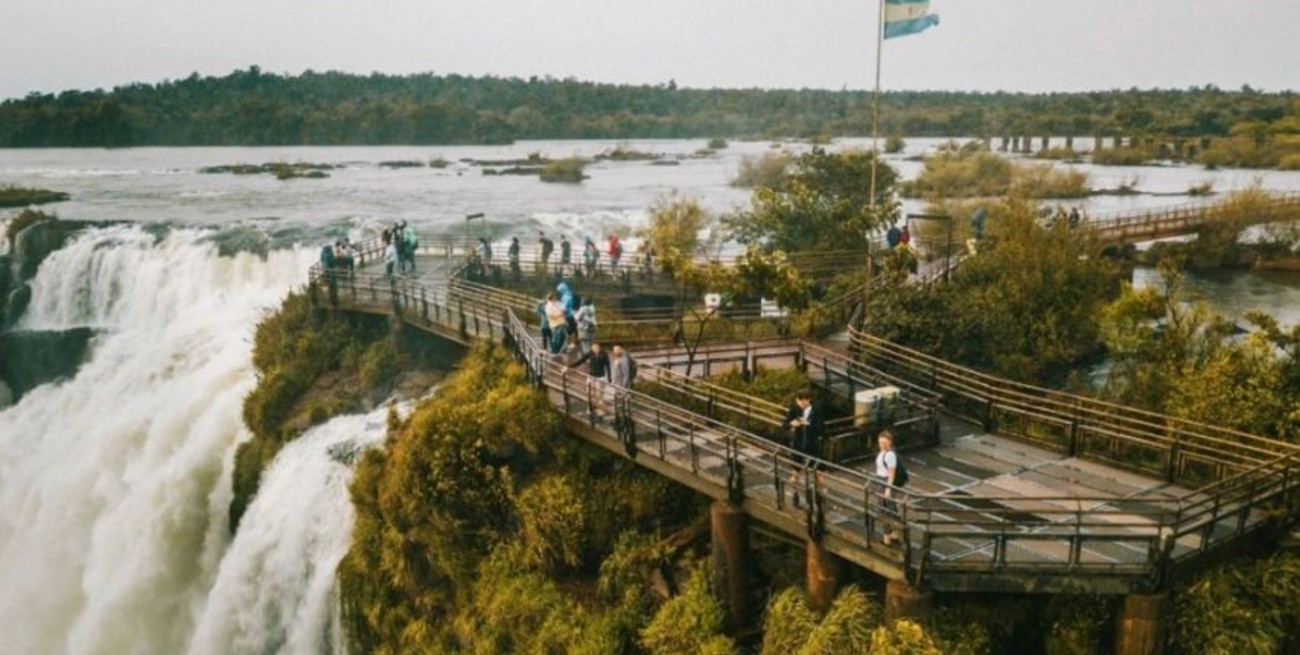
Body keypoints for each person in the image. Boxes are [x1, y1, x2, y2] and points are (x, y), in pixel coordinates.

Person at [783, 391, 824, 508]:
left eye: (801, 401)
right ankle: (795, 494)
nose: (799, 404)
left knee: (817, 473)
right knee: (795, 472)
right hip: (798, 444)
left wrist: (808, 424)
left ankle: (818, 497)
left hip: (812, 445)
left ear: (807, 400)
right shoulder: (795, 409)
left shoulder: (816, 410)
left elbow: (821, 428)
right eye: (798, 401)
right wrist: (792, 424)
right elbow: (785, 424)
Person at [570, 342, 612, 419]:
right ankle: (590, 407)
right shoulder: (590, 354)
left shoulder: (604, 354)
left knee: (599, 395)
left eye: (596, 347)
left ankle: (601, 410)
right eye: (593, 347)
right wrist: (569, 367)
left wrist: (609, 378)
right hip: (591, 376)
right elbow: (581, 360)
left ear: (600, 347)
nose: (594, 349)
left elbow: (608, 365)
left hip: (600, 377)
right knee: (590, 393)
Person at [876, 430, 902, 546]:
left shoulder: (890, 455)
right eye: (881, 443)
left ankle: (887, 538)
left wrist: (888, 488)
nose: (882, 445)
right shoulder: (882, 453)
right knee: (889, 510)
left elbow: (891, 474)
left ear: (890, 443)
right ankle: (894, 534)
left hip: (885, 482)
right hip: (880, 480)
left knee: (886, 510)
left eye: (885, 443)